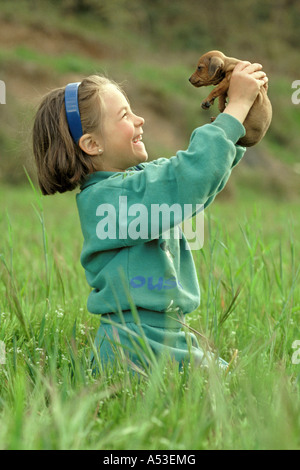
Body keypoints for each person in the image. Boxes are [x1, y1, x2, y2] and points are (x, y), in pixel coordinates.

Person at [32, 62, 268, 372]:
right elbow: (188, 179)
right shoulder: (110, 199)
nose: (140, 119)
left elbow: (199, 186)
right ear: (92, 144)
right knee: (239, 388)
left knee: (235, 380)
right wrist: (235, 108)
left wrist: (236, 127)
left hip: (164, 334)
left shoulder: (132, 184)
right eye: (125, 116)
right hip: (137, 343)